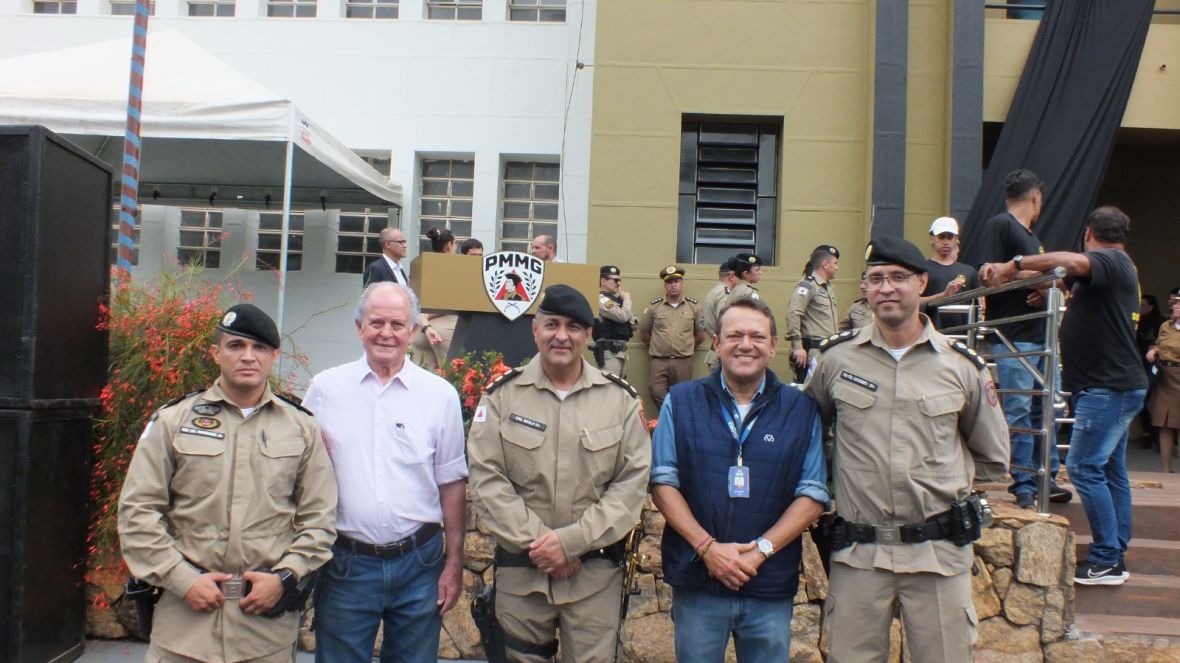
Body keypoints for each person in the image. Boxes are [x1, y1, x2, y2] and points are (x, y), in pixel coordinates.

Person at [805, 236, 1009, 663]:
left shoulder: (960, 366)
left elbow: (992, 457)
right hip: (859, 556)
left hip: (937, 555)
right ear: (864, 288)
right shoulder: (836, 361)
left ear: (921, 283)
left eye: (898, 278)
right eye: (876, 279)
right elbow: (806, 432)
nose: (886, 288)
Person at [118, 303, 337, 663]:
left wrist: (285, 576)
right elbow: (137, 514)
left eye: (259, 348)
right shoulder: (173, 421)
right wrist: (181, 579)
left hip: (264, 631)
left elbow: (320, 518)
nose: (248, 357)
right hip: (184, 628)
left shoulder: (301, 427)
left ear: (274, 356)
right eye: (236, 346)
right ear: (216, 353)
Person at [467, 284, 651, 663]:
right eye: (551, 325)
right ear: (535, 329)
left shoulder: (619, 400)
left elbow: (631, 484)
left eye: (573, 327)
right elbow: (487, 479)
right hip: (523, 573)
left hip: (593, 577)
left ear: (588, 335)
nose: (561, 336)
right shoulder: (502, 396)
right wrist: (543, 544)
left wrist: (570, 543)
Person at [651, 297, 829, 662]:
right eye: (734, 335)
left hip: (768, 584)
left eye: (757, 336)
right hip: (699, 581)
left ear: (774, 345)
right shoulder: (680, 401)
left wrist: (761, 550)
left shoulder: (801, 409)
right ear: (716, 343)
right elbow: (663, 482)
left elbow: (812, 493)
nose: (745, 344)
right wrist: (707, 549)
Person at [981, 206, 1147, 585]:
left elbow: (1069, 262)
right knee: (1110, 470)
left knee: (1086, 468)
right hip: (1114, 386)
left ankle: (1107, 559)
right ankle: (1115, 550)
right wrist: (1013, 275)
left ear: (1089, 233)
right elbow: (1059, 278)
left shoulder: (1110, 261)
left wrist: (1015, 261)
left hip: (1108, 389)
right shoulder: (1109, 272)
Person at [303, 282, 468, 662]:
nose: (386, 333)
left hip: (420, 563)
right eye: (376, 322)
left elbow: (452, 483)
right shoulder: (325, 390)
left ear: (412, 331)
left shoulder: (439, 395)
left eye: (397, 324)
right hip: (346, 563)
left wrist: (454, 566)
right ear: (359, 326)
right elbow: (304, 475)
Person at [975, 168, 1071, 508]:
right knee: (1018, 411)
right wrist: (1038, 278)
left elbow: (1058, 283)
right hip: (1014, 334)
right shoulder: (1001, 225)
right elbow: (989, 274)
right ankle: (1025, 485)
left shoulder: (1032, 237)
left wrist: (1041, 284)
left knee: (1048, 408)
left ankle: (1046, 475)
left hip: (1041, 334)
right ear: (1036, 198)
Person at [640, 264, 704, 408]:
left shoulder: (694, 307)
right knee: (655, 390)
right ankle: (668, 414)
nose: (673, 285)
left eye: (676, 281)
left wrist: (686, 347)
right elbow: (644, 333)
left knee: (682, 394)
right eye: (669, 282)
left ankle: (676, 422)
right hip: (659, 360)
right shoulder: (654, 307)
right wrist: (658, 346)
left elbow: (700, 335)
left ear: (682, 284)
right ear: (665, 286)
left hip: (683, 361)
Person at [784, 245, 840, 383]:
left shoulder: (827, 288)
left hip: (826, 349)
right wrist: (798, 347)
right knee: (807, 392)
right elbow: (793, 313)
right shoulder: (807, 286)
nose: (837, 267)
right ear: (825, 264)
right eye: (835, 263)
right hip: (812, 350)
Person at [411, 227, 459, 371]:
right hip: (444, 328)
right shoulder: (457, 267)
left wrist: (425, 324)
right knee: (454, 376)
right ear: (450, 244)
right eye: (456, 243)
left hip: (420, 329)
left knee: (421, 379)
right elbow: (451, 302)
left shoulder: (422, 265)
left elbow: (415, 302)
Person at [919, 217, 980, 330]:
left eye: (950, 237)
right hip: (931, 334)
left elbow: (978, 306)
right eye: (941, 237)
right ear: (932, 238)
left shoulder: (969, 271)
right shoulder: (921, 269)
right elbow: (912, 302)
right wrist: (943, 295)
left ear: (956, 239)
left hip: (963, 335)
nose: (945, 242)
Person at [1147, 290, 1180, 473]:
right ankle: (1166, 469)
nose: (1176, 306)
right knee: (1165, 423)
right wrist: (1153, 351)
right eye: (1175, 302)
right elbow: (1159, 344)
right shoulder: (1166, 326)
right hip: (1165, 376)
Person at [592, 265, 637, 378]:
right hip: (609, 353)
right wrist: (626, 300)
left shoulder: (616, 300)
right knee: (608, 387)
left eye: (619, 280)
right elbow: (622, 316)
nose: (618, 283)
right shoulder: (601, 299)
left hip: (620, 353)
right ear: (603, 281)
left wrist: (623, 304)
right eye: (615, 280)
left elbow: (634, 324)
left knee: (619, 390)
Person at [700, 258, 739, 372]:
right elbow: (727, 324)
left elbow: (703, 322)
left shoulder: (714, 291)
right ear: (731, 276)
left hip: (718, 350)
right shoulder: (724, 294)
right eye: (739, 277)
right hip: (723, 354)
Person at [1136, 294, 1165, 447]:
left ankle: (1154, 433)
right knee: (1141, 398)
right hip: (1139, 363)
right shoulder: (1135, 321)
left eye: (1143, 305)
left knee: (1147, 398)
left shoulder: (1160, 323)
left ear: (1151, 307)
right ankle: (1150, 432)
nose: (1140, 308)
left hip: (1154, 364)